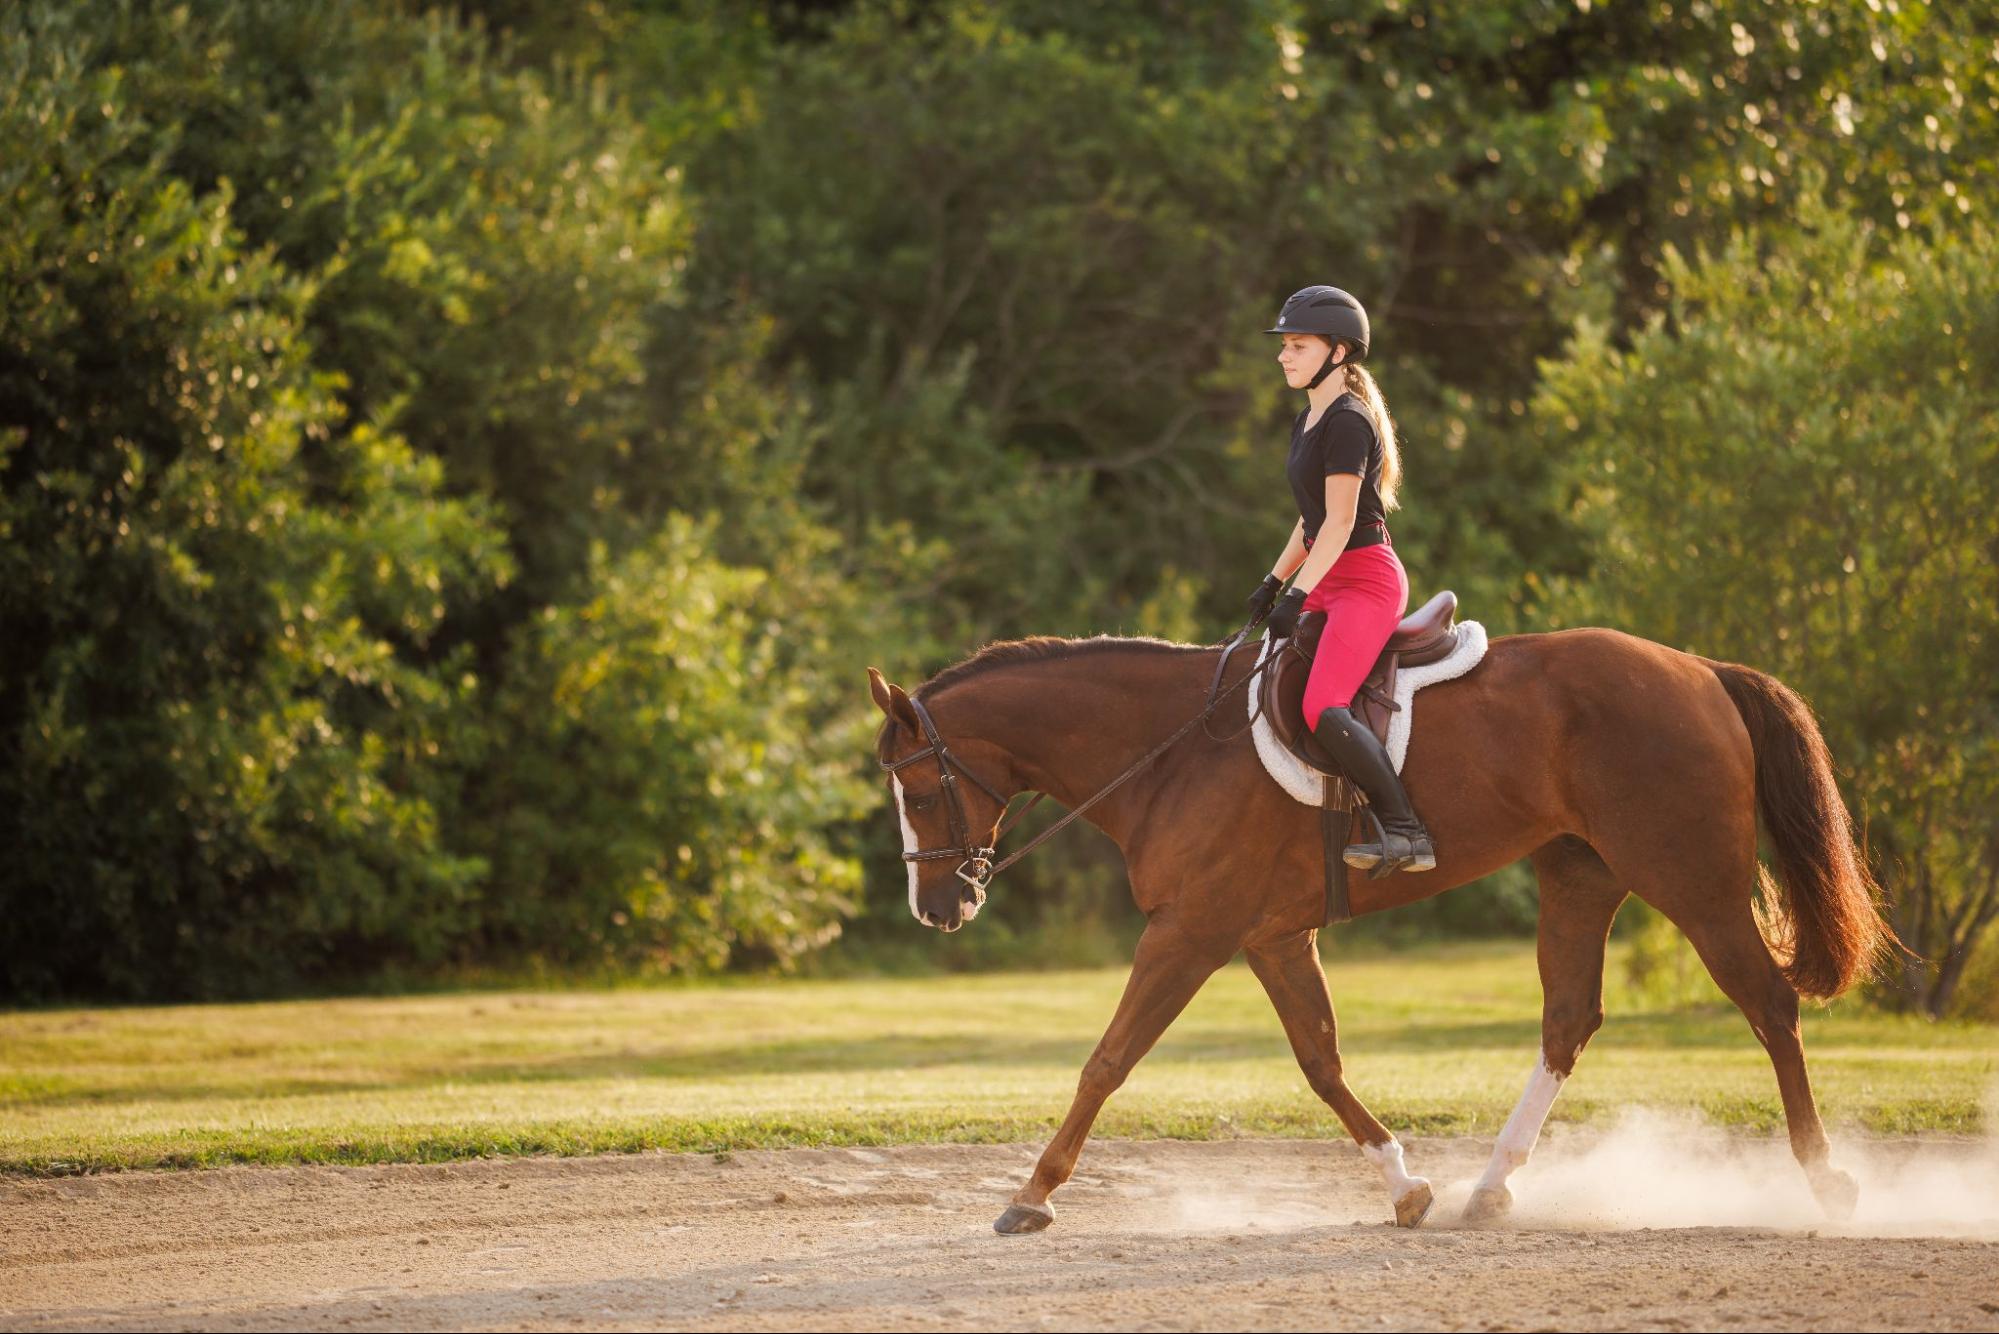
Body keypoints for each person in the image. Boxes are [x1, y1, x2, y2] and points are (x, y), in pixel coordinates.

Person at [1243, 285, 1435, 876]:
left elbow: (1344, 521)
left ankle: (1406, 832)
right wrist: (1273, 582)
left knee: (1322, 702)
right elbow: (1311, 520)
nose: (1284, 356)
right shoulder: (1310, 418)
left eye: (1297, 345)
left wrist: (1299, 593)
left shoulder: (1349, 421)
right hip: (1326, 571)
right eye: (1285, 346)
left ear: (1339, 353)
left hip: (1366, 581)